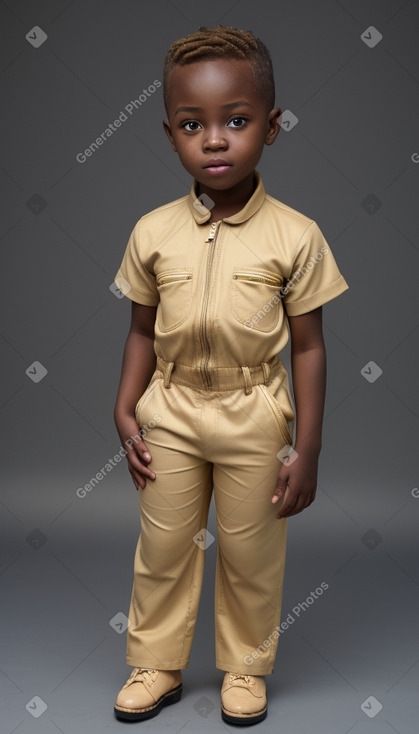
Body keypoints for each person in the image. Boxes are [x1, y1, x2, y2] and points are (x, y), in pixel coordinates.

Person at [112, 24, 349, 726]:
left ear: (270, 128)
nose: (214, 139)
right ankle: (155, 662)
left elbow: (307, 347)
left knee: (251, 552)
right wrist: (125, 408)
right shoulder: (152, 232)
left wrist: (305, 446)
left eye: (236, 121)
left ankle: (244, 669)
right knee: (162, 547)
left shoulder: (295, 235)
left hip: (255, 413)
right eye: (193, 124)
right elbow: (139, 331)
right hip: (171, 409)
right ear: (170, 134)